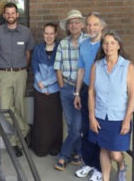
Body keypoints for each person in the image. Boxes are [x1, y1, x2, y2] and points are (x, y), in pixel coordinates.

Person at [88, 31, 134, 181]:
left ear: (118, 46)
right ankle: (106, 179)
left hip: (119, 117)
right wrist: (91, 117)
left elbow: (132, 95)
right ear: (102, 46)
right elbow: (91, 92)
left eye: (112, 43)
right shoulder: (96, 66)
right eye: (105, 43)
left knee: (115, 154)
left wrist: (127, 119)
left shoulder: (127, 67)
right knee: (103, 149)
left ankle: (122, 165)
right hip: (101, 115)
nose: (108, 46)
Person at [0, 2, 35, 157]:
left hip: (21, 73)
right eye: (7, 13)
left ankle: (17, 142)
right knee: (5, 107)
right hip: (3, 74)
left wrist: (22, 69)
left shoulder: (26, 32)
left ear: (17, 14)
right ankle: (26, 129)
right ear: (4, 15)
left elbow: (28, 53)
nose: (10, 15)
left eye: (13, 13)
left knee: (20, 107)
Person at [53, 9, 89, 171]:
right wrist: (62, 85)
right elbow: (57, 67)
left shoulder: (88, 42)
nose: (73, 25)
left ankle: (63, 155)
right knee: (71, 124)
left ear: (82, 24)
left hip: (83, 89)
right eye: (71, 22)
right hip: (66, 88)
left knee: (77, 127)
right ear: (67, 26)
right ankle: (79, 153)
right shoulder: (63, 43)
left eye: (76, 22)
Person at [73, 12, 106, 181]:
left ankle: (100, 169)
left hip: (102, 95)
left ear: (102, 27)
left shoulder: (107, 45)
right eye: (89, 25)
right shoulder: (84, 44)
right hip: (86, 91)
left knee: (99, 130)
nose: (91, 28)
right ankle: (89, 164)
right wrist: (77, 93)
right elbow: (81, 69)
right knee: (86, 130)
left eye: (95, 24)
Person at [31, 22, 63, 156]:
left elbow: (60, 71)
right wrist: (42, 85)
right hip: (39, 89)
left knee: (54, 119)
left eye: (51, 33)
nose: (48, 36)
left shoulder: (60, 49)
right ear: (43, 34)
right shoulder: (38, 49)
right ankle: (41, 147)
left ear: (55, 34)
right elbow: (34, 67)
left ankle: (55, 146)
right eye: (46, 33)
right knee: (41, 120)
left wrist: (47, 84)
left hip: (55, 89)